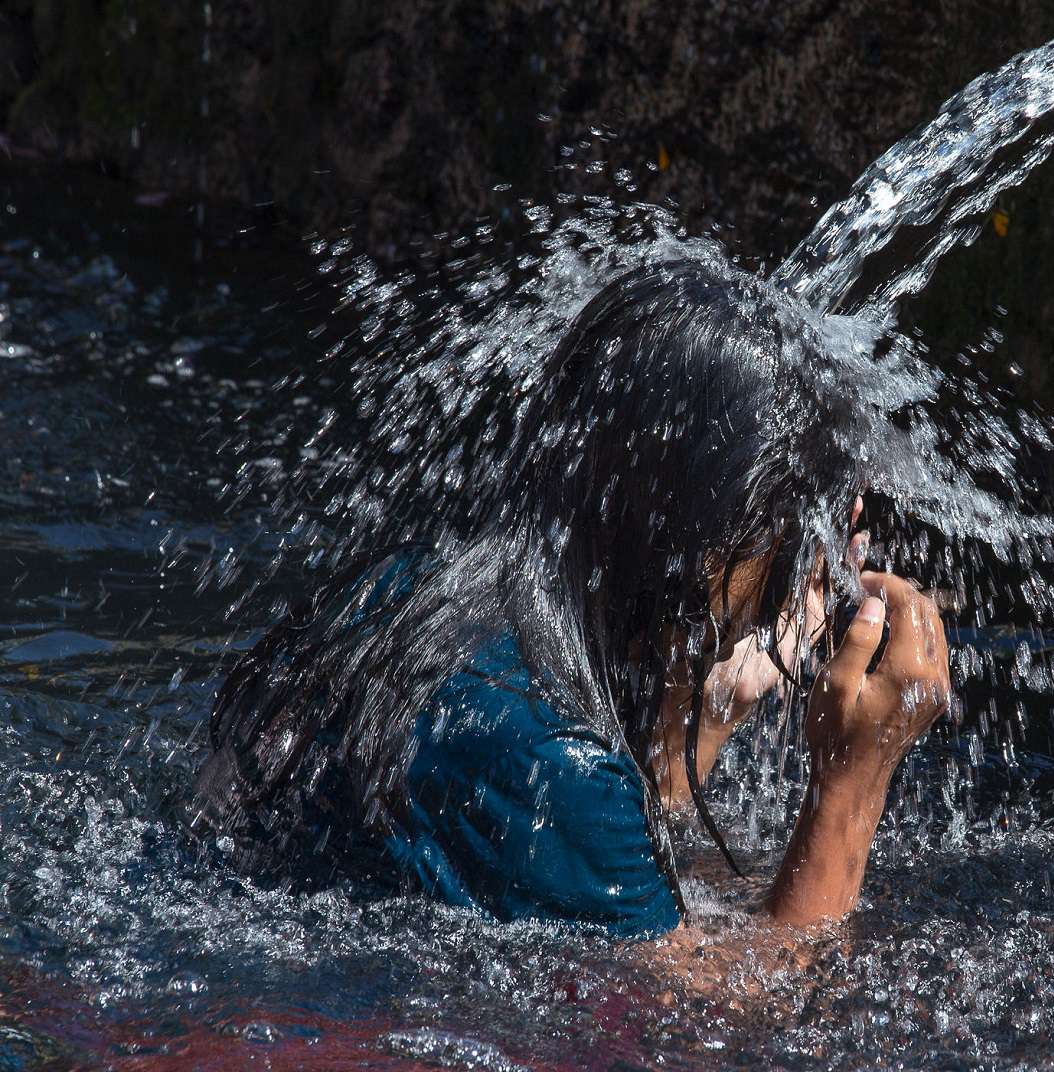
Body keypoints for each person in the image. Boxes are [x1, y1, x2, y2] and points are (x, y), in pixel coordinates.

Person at [194, 243, 952, 936]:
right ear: (706, 536)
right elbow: (716, 1030)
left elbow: (593, 894)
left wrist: (700, 714)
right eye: (800, 521)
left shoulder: (421, 592)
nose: (821, 551)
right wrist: (854, 783)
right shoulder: (554, 760)